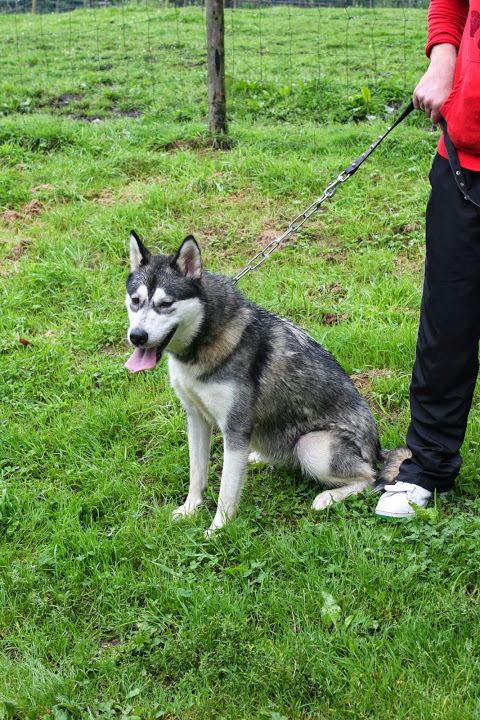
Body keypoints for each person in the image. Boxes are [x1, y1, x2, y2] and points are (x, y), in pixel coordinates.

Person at [375, 0, 480, 518]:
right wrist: (444, 60)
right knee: (448, 320)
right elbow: (452, 5)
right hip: (464, 160)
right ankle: (429, 464)